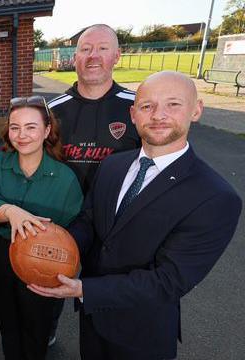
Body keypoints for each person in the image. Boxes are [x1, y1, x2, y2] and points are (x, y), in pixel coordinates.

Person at [29, 71, 242, 360]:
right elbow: (89, 221)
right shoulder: (112, 165)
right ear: (133, 113)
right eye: (147, 106)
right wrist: (58, 249)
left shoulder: (215, 197)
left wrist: (84, 289)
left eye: (173, 105)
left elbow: (168, 280)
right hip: (92, 321)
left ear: (196, 110)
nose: (158, 115)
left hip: (142, 335)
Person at [46, 24, 141, 345]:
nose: (93, 56)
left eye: (102, 48)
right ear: (75, 58)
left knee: (104, 290)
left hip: (117, 223)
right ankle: (51, 325)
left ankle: (104, 338)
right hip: (66, 219)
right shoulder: (54, 111)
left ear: (117, 55)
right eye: (86, 49)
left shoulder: (137, 107)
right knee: (55, 277)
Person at [0, 96, 83, 359]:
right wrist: (10, 211)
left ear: (46, 131)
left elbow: (76, 228)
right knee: (7, 323)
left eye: (31, 127)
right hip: (2, 255)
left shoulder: (65, 178)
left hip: (45, 259)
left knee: (37, 328)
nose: (22, 135)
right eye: (15, 127)